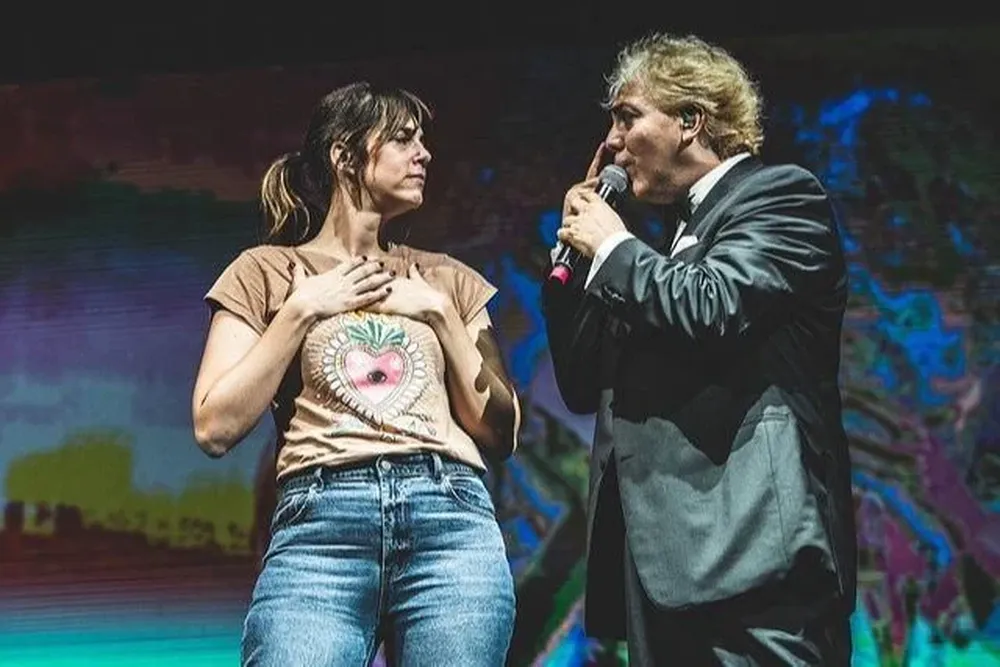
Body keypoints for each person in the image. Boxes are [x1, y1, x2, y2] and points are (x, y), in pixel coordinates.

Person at [542, 33, 857, 665]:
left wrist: (613, 248)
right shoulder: (658, 252)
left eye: (628, 116)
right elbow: (581, 381)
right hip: (664, 565)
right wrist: (578, 264)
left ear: (692, 121)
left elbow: (712, 306)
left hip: (752, 550)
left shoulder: (780, 197)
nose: (610, 141)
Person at [192, 81, 519, 667]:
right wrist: (301, 309)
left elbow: (502, 430)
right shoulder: (266, 271)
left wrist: (440, 314)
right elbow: (214, 425)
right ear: (344, 155)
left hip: (449, 519)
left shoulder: (447, 279)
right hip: (321, 528)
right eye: (402, 139)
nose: (424, 154)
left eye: (424, 141)